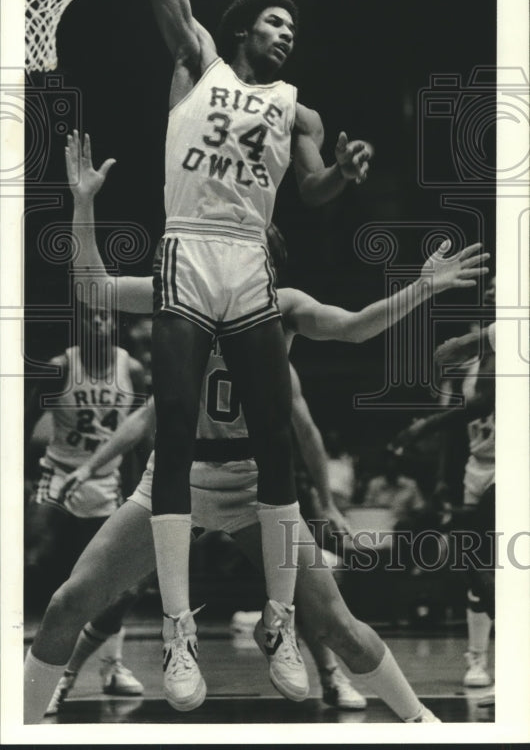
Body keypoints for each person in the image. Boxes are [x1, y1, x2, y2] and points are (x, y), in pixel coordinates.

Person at [23, 131, 489, 723]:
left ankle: (425, 724)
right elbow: (92, 286)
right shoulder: (177, 288)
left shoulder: (283, 302)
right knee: (68, 602)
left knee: (340, 625)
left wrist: (421, 288)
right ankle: (22, 727)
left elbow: (352, 327)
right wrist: (83, 202)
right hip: (175, 482)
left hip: (254, 487)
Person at [123, 0, 373, 712]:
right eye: (275, 23)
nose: (287, 35)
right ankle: (181, 633)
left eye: (293, 29)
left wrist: (339, 176)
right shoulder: (198, 64)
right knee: (179, 432)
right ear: (241, 33)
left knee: (279, 443)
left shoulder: (298, 110)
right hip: (188, 252)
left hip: (248, 261)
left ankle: (278, 621)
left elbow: (305, 196)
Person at [24, 302, 147, 705]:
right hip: (58, 476)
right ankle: (37, 658)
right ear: (80, 324)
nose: (99, 321)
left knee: (122, 582)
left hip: (106, 483)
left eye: (107, 315)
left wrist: (135, 490)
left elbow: (137, 435)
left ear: (115, 322)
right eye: (92, 316)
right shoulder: (60, 366)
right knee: (37, 559)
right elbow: (24, 420)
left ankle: (111, 666)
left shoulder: (132, 370)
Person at [393, 286, 495, 696]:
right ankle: (478, 658)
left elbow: (485, 403)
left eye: (497, 293)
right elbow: (457, 424)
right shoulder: (464, 361)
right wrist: (440, 480)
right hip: (476, 467)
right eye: (486, 294)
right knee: (477, 564)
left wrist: (424, 427)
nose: (490, 298)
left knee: (492, 561)